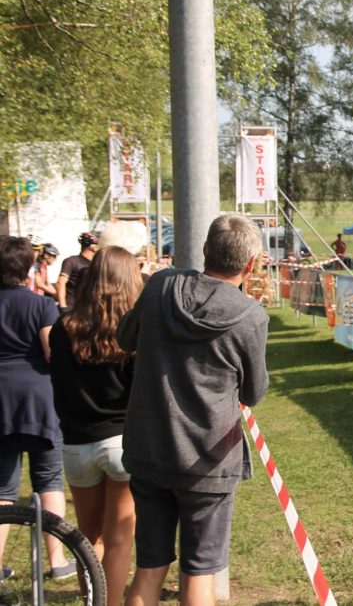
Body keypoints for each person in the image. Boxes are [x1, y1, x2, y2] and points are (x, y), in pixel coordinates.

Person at [117, 214, 270, 606]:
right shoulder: (250, 316)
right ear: (251, 264)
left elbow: (125, 337)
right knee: (199, 571)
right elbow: (253, 392)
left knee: (149, 568)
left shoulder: (161, 285)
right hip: (207, 461)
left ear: (205, 249)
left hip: (150, 450)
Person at [49, 246, 143, 606]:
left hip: (76, 442)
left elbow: (57, 380)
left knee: (88, 540)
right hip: (121, 442)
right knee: (120, 539)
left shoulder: (64, 327)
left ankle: (93, 600)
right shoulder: (133, 331)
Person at [0, 236, 75, 582]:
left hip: (1, 400)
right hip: (38, 400)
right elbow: (50, 351)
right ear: (28, 267)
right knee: (48, 481)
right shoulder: (41, 305)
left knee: (2, 489)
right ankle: (57, 560)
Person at [57, 231, 98, 312]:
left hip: (87, 309)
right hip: (71, 307)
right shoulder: (71, 261)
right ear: (93, 247)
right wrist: (63, 307)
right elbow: (60, 283)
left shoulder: (96, 264)